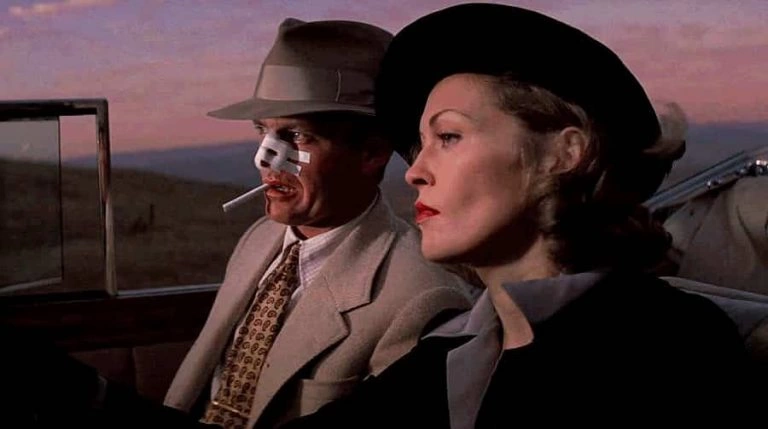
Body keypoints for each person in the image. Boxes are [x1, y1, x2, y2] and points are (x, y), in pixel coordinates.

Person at [278, 4, 752, 428]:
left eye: (448, 137)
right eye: (419, 146)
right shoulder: (448, 352)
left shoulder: (672, 345)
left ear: (564, 154)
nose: (415, 172)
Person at [163, 17, 473, 429]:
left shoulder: (421, 297)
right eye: (262, 131)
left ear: (372, 153)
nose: (264, 158)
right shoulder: (259, 239)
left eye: (296, 136)